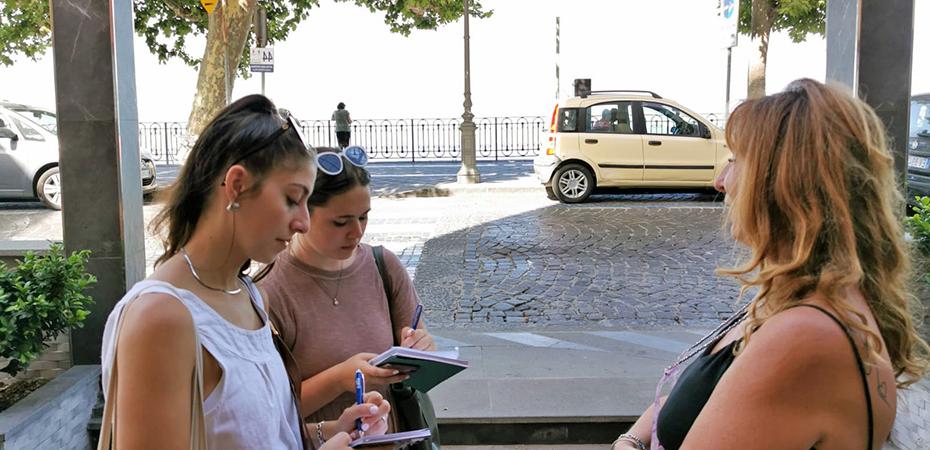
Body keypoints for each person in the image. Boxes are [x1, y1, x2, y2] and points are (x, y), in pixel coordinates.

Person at [612, 79, 929, 450]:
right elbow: (696, 403)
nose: (721, 181)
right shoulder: (805, 299)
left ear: (784, 186)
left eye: (735, 161)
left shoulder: (804, 335)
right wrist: (630, 440)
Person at [99, 96, 391, 450]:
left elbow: (261, 437)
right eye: (292, 198)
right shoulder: (161, 317)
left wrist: (334, 431)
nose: (303, 222)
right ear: (237, 185)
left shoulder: (251, 296)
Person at [257, 146, 436, 437]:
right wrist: (340, 379)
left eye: (363, 217)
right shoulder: (268, 291)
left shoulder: (383, 265)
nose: (357, 232)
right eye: (340, 222)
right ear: (301, 213)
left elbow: (420, 352)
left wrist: (422, 349)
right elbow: (264, 410)